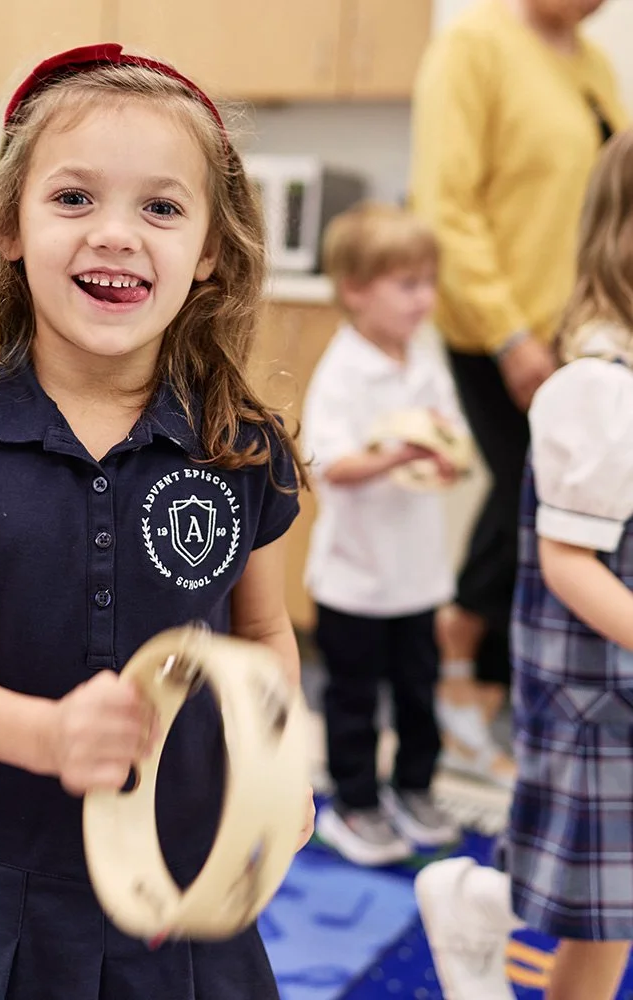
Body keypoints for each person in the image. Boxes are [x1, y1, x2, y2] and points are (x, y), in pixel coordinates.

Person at [0, 43, 315, 1000]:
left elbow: (263, 631)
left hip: (183, 875)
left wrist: (277, 762)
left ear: (208, 254)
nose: (116, 233)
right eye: (73, 198)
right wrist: (45, 736)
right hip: (0, 882)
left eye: (160, 206)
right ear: (8, 230)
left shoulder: (239, 445)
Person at [415, 126, 633, 1000]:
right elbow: (571, 563)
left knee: (606, 888)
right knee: (599, 899)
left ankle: (478, 898)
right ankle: (476, 897)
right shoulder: (596, 390)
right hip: (594, 693)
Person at [410, 0, 627, 787]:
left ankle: (500, 696)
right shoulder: (475, 48)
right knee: (522, 504)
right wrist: (509, 335)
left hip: (578, 336)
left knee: (558, 510)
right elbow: (446, 205)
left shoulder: (594, 65)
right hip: (500, 331)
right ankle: (459, 669)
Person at [303, 203, 461, 867]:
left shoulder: (420, 358)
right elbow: (328, 464)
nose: (424, 299)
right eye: (407, 285)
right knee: (354, 698)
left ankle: (415, 788)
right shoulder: (343, 371)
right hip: (355, 580)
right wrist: (397, 455)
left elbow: (448, 435)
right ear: (356, 290)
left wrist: (444, 456)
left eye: (428, 282)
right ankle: (355, 803)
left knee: (420, 690)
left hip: (417, 576)